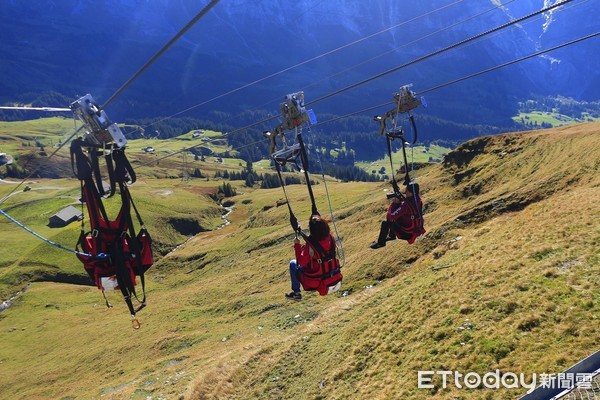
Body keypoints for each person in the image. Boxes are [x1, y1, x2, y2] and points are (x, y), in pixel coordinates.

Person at [286, 215, 336, 301]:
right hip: (332, 274)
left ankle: (296, 293)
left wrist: (297, 246)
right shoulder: (330, 238)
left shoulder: (311, 245)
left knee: (293, 264)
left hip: (315, 279)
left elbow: (301, 262)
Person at [370, 182, 425, 249]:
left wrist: (395, 203)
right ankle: (391, 235)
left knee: (385, 223)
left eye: (406, 191)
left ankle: (380, 243)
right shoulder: (418, 200)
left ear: (411, 192)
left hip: (407, 233)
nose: (405, 192)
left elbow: (391, 216)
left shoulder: (406, 205)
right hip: (416, 230)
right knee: (399, 218)